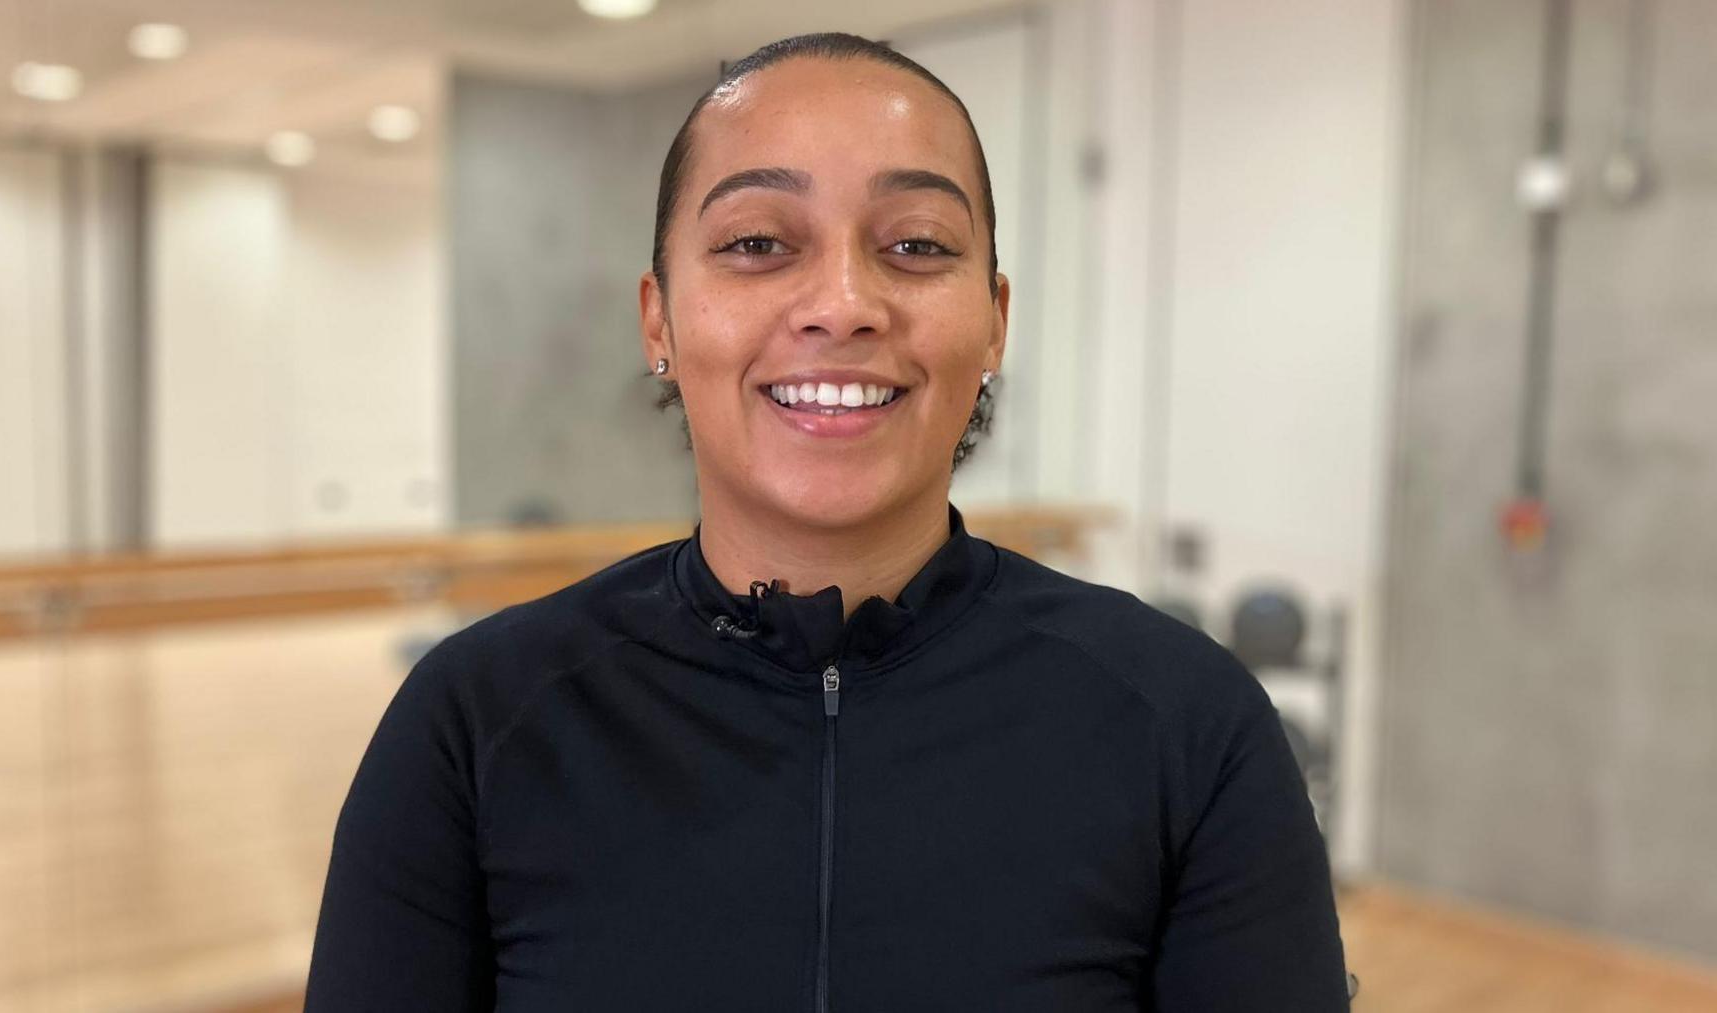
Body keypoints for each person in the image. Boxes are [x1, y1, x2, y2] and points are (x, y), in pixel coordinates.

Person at [305, 32, 1350, 1011]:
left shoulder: (1191, 727)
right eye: (758, 241)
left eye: (916, 244)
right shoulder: (474, 725)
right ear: (659, 318)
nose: (843, 302)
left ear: (994, 321)